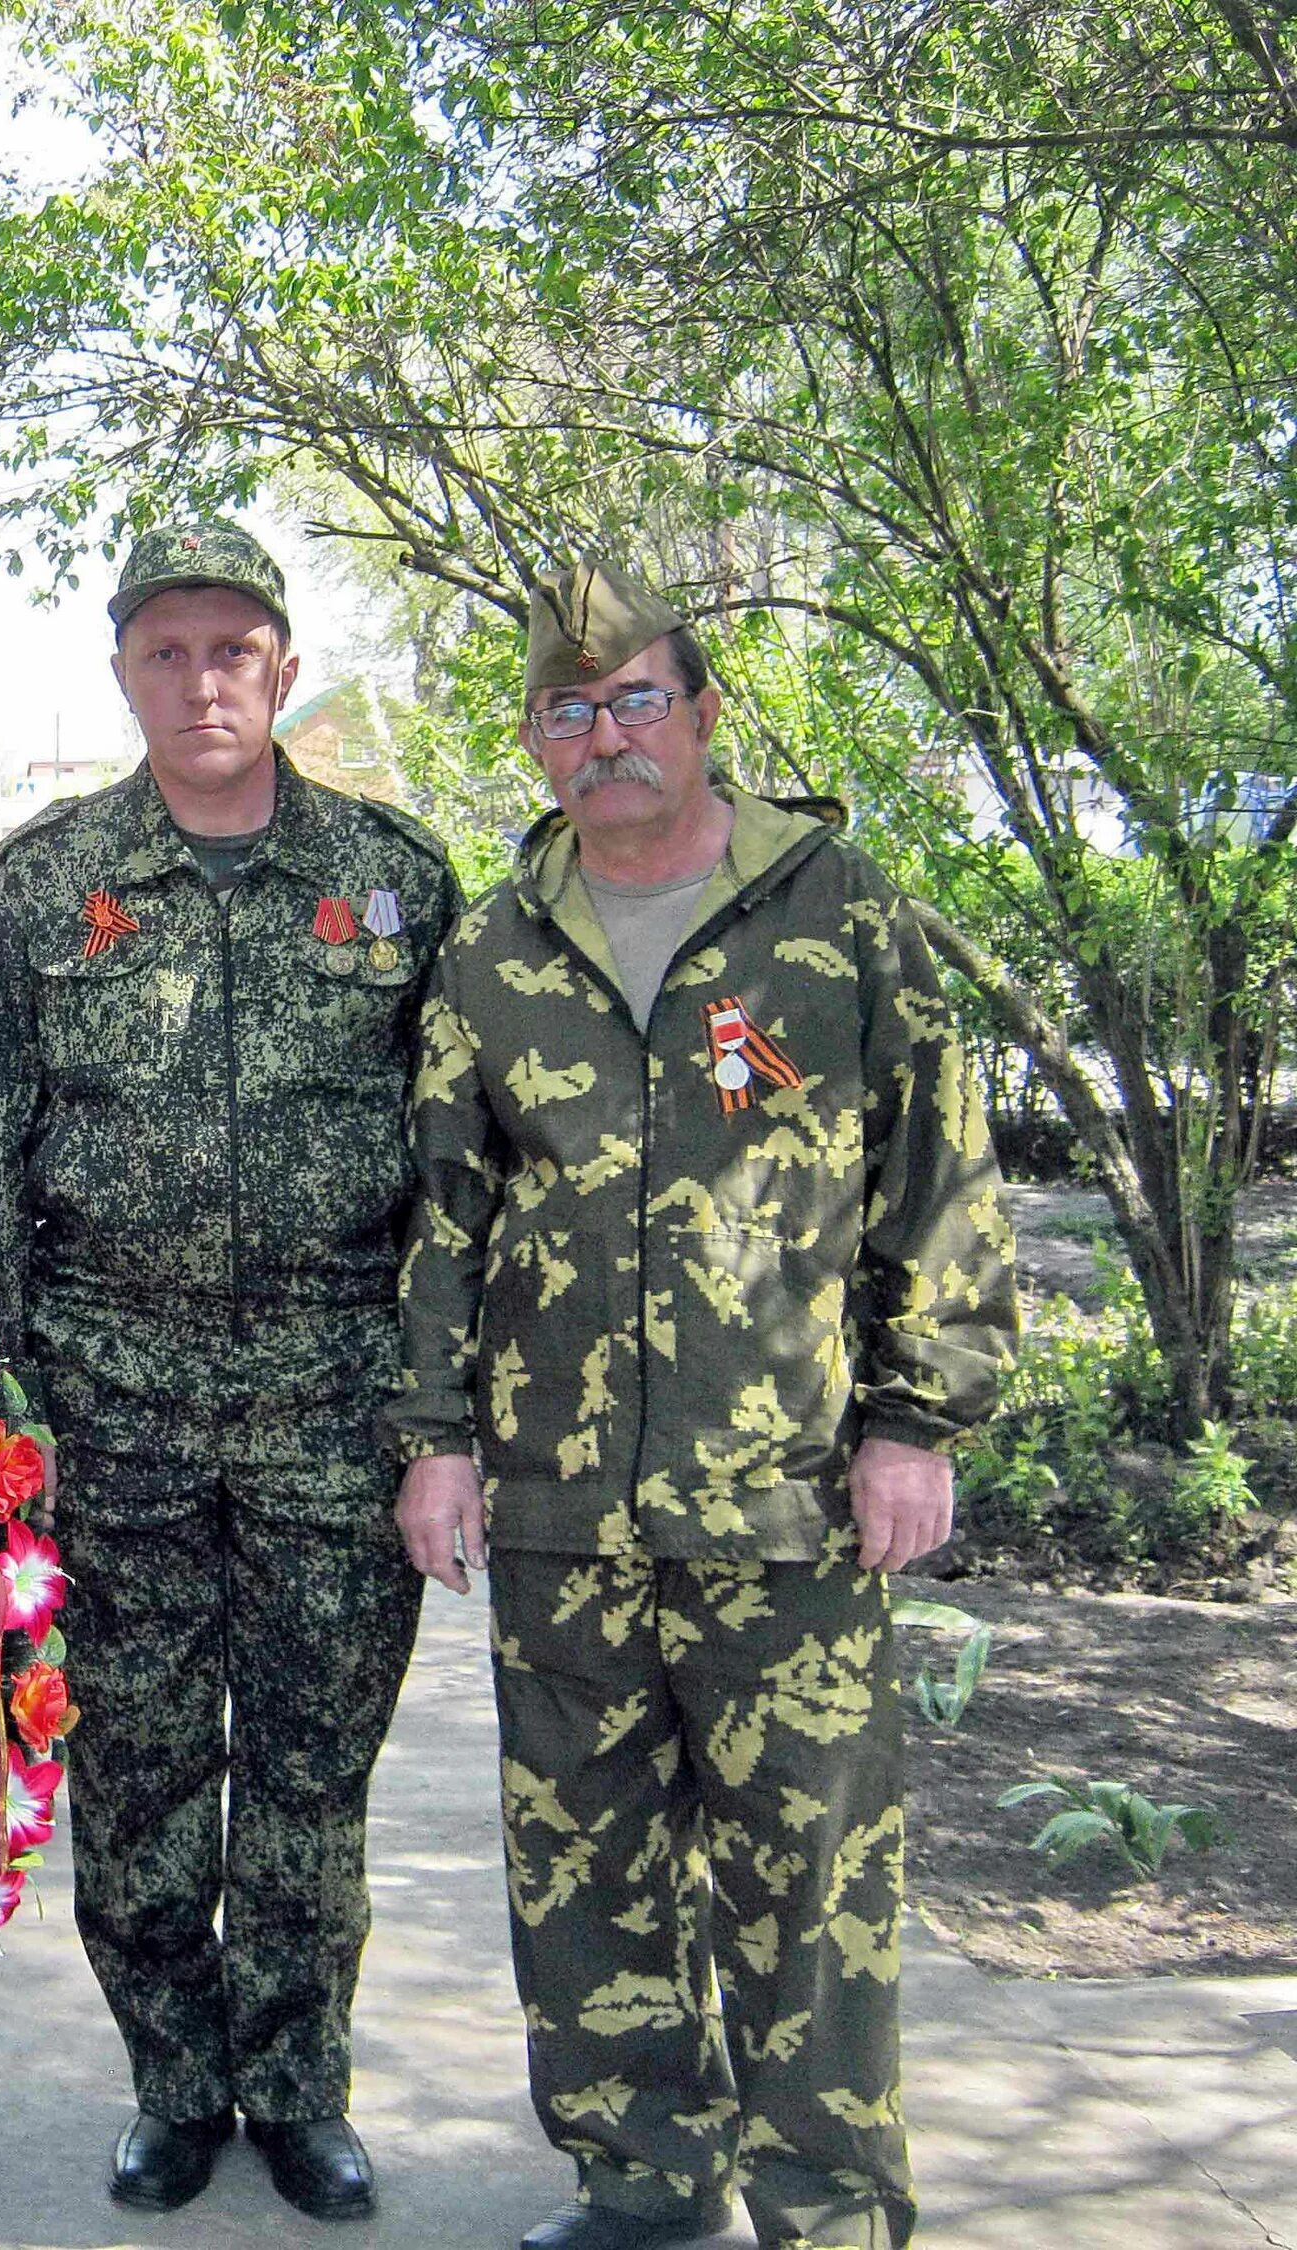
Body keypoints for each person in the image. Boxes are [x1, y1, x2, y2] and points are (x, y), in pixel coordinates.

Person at [390, 556, 1016, 2250]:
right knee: (581, 1863)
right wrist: (434, 1441)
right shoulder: (493, 953)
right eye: (569, 710)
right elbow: (447, 1209)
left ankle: (828, 2200)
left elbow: (938, 1177)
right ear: (534, 741)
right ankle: (642, 2175)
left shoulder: (840, 913)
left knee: (809, 1877)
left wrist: (917, 1419)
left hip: (791, 1496)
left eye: (637, 698)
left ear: (706, 711)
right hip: (556, 1504)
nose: (606, 736)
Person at [0, 519, 453, 2220]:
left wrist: (431, 1419)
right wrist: (0, 1417)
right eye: (165, 651)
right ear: (122, 675)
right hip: (113, 1410)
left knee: (315, 1776)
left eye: (233, 648)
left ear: (286, 668)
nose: (202, 680)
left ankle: (302, 2082)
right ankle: (175, 2080)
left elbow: (458, 1177)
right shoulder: (44, 884)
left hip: (333, 1408)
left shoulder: (395, 875)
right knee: (146, 1770)